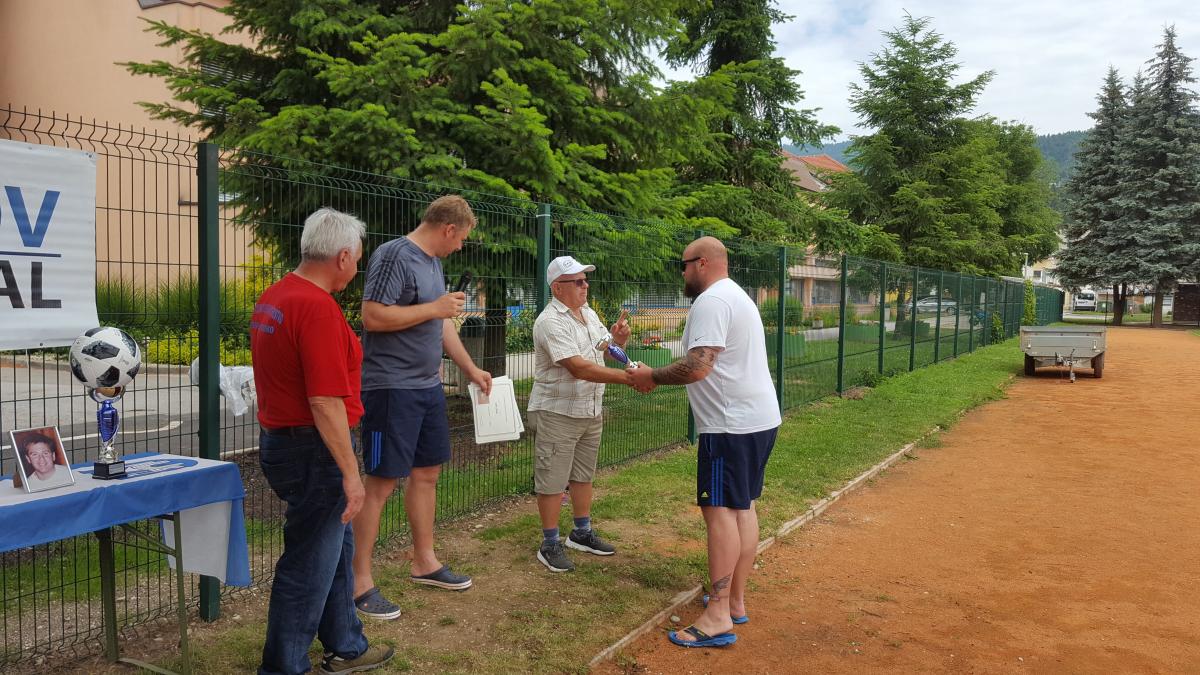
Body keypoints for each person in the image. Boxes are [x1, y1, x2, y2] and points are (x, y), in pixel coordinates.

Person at [250, 207, 393, 675]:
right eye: (358, 259)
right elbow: (325, 401)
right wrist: (352, 474)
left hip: (285, 441)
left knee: (335, 548)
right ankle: (283, 665)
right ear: (343, 256)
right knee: (309, 562)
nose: (357, 268)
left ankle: (346, 644)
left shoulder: (276, 296)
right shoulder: (316, 307)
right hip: (314, 450)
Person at [628, 236, 781, 649]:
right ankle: (735, 600)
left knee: (720, 514)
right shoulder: (737, 295)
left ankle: (717, 615)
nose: (681, 274)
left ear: (701, 263)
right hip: (758, 420)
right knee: (742, 507)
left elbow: (698, 367)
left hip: (729, 427)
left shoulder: (711, 301)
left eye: (683, 265)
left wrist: (650, 376)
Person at [352, 195, 492, 619]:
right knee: (381, 482)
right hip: (391, 388)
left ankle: (424, 562)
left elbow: (441, 322)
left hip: (427, 387)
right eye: (461, 238)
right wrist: (435, 307)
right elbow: (372, 316)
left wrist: (470, 368)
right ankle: (358, 580)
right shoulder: (394, 255)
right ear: (448, 229)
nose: (461, 246)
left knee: (427, 472)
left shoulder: (433, 263)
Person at [527, 256, 632, 572]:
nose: (585, 286)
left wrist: (618, 339)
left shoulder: (587, 313)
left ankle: (581, 532)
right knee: (552, 480)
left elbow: (602, 349)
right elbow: (578, 367)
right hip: (557, 412)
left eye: (586, 280)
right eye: (578, 281)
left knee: (583, 475)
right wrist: (629, 378)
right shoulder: (550, 322)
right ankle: (550, 543)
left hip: (588, 409)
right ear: (558, 288)